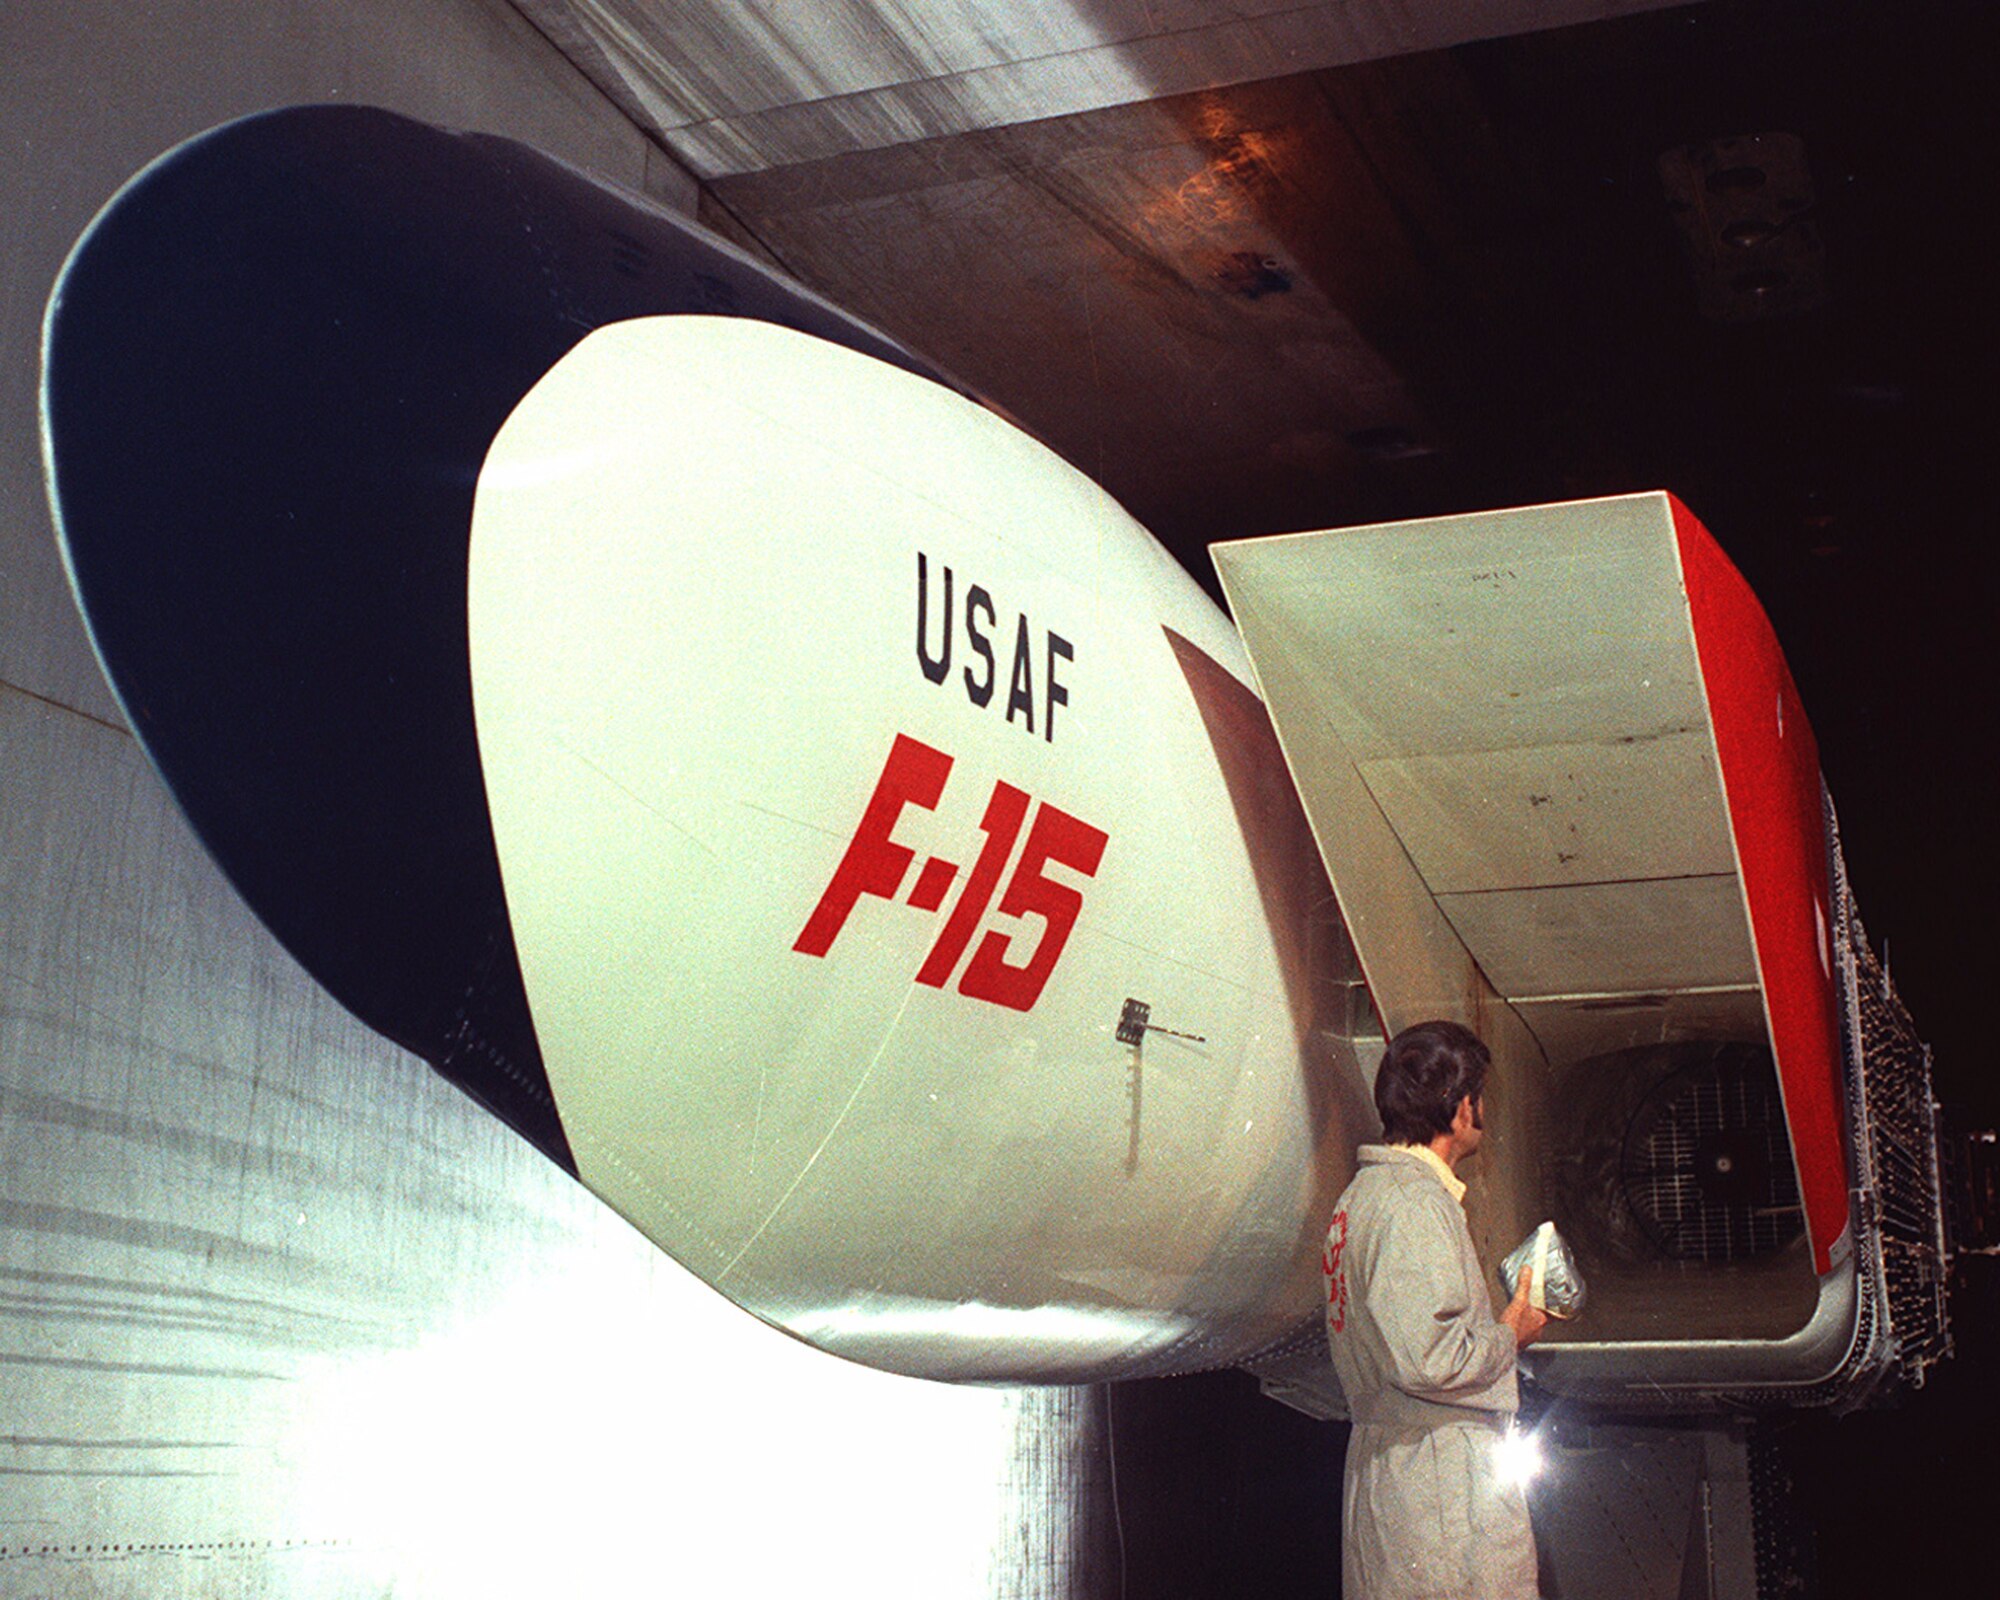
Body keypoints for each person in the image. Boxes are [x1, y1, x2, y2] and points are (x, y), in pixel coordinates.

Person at [1323, 1019, 1547, 1599]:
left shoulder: (1362, 1198)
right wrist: (1510, 1333)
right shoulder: (1414, 1204)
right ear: (1460, 1109)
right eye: (1479, 1096)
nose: (1482, 1111)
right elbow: (1429, 1359)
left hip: (1395, 1471)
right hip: (1441, 1482)